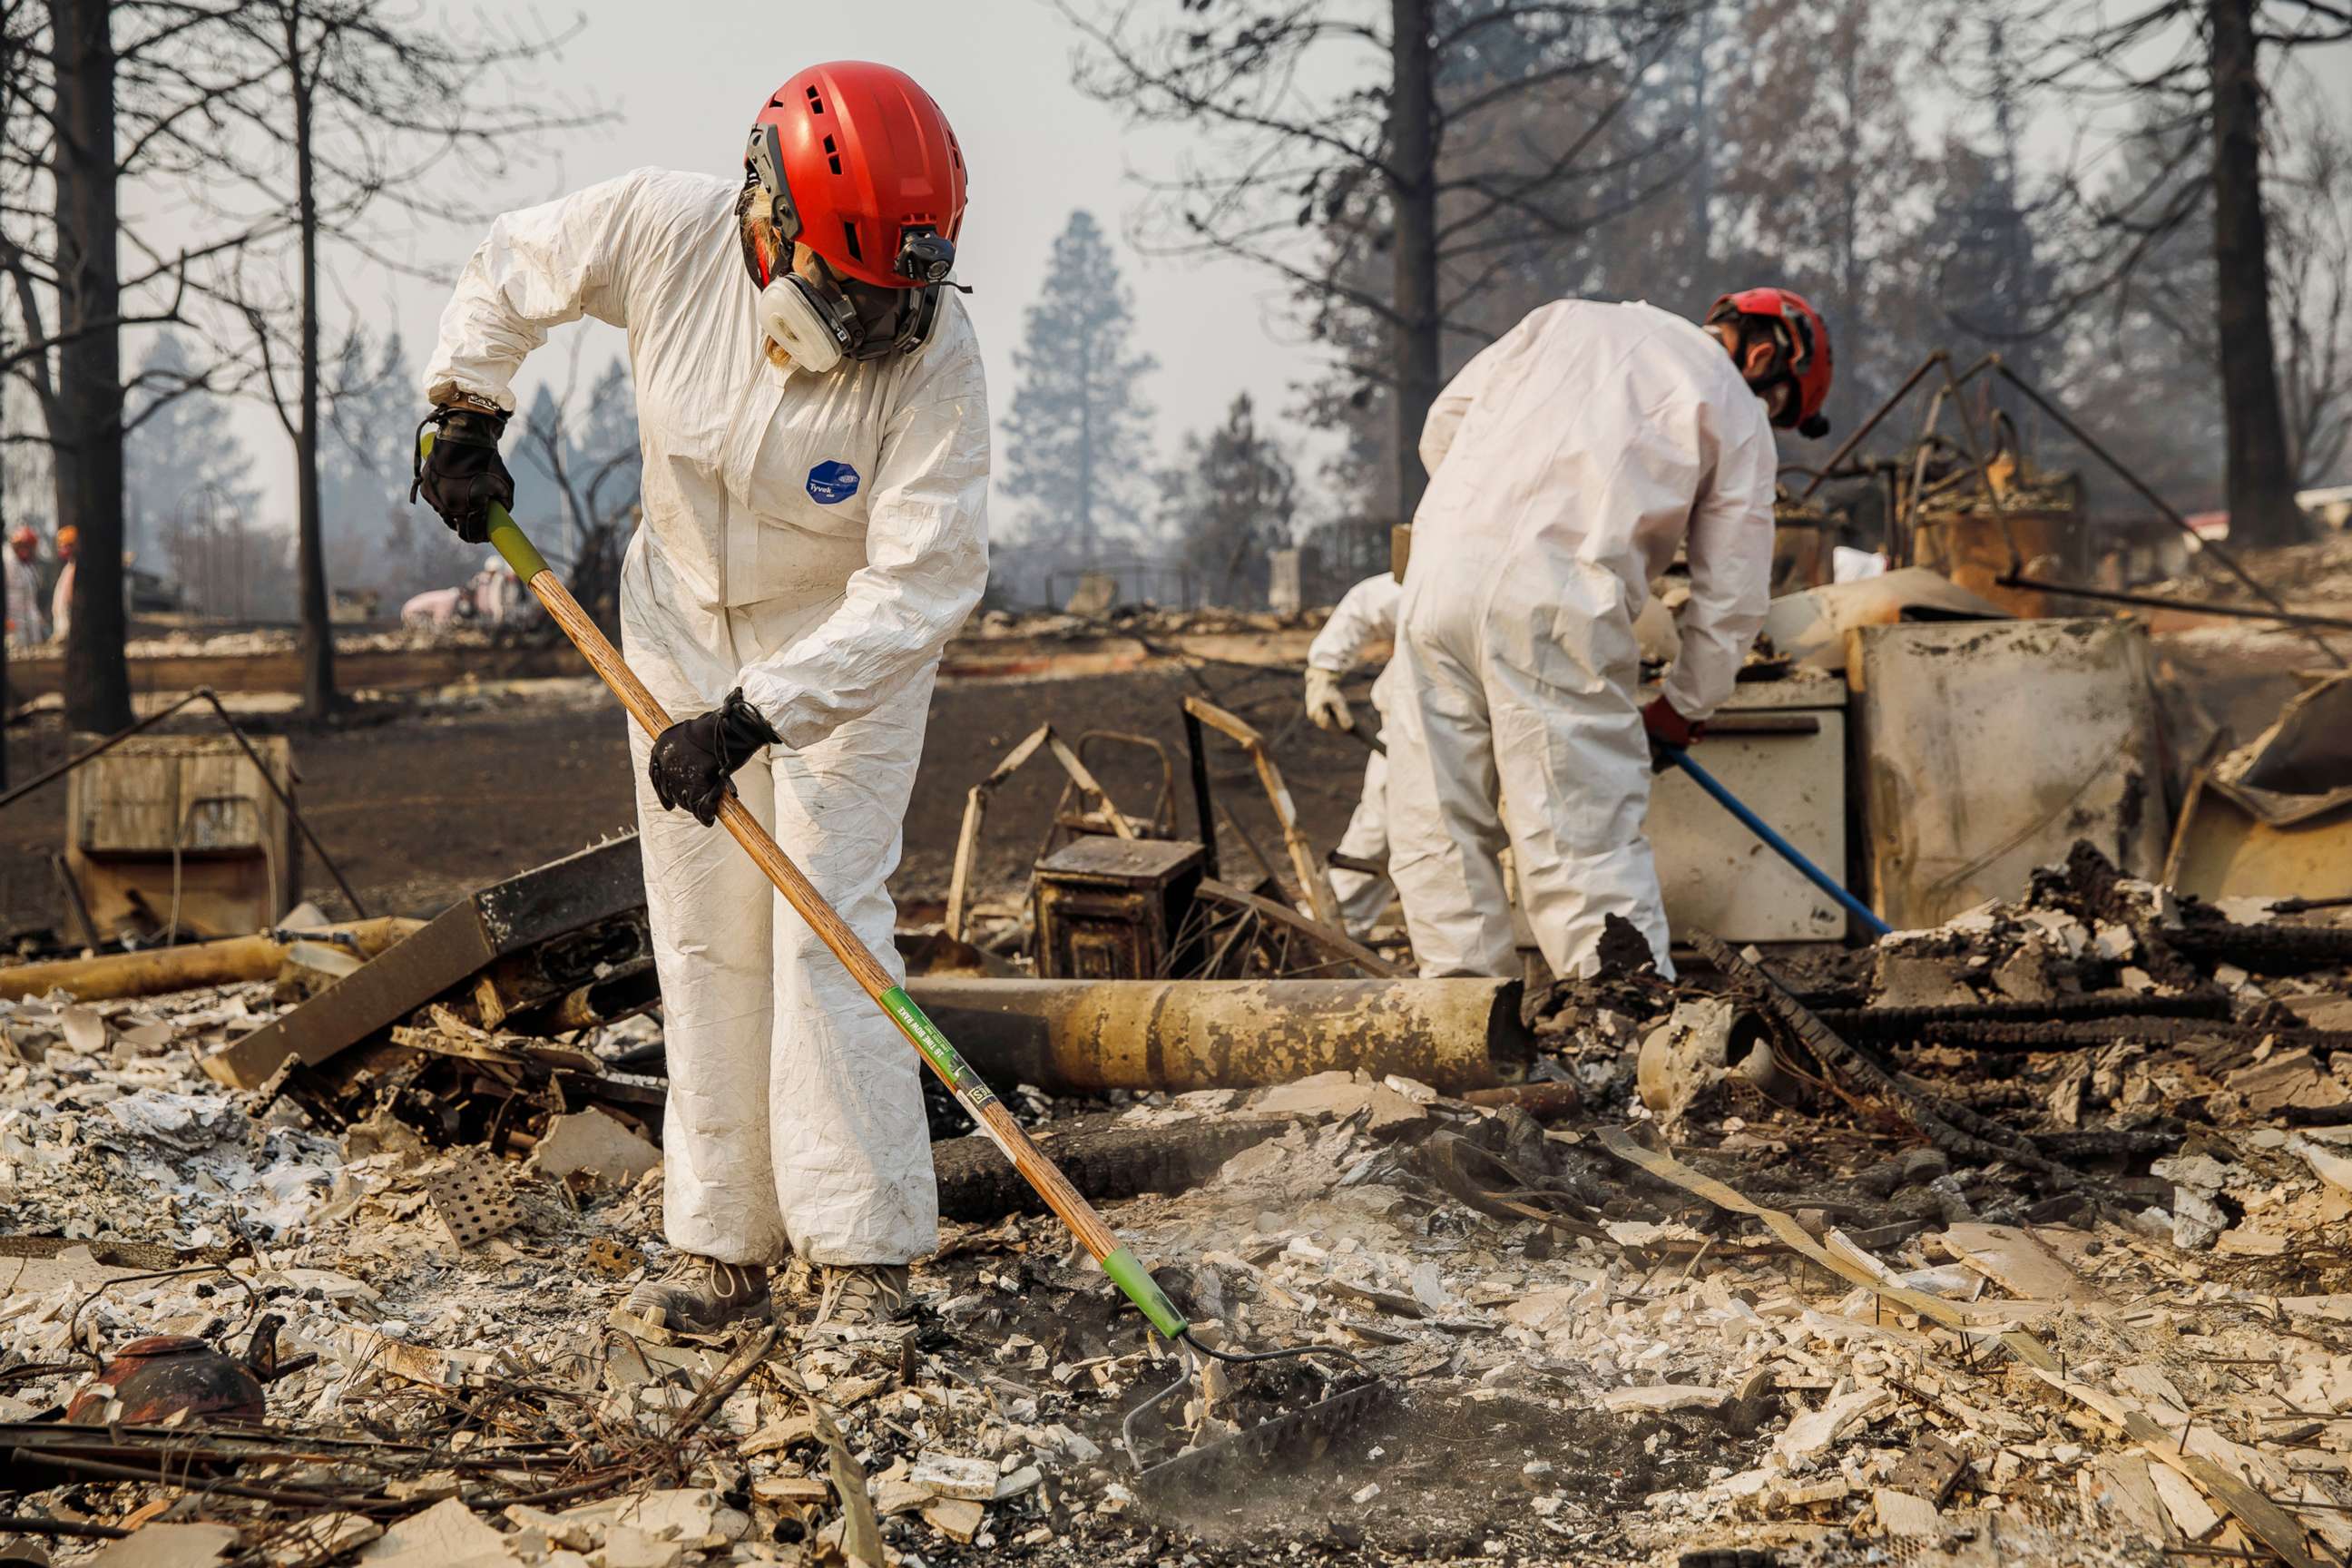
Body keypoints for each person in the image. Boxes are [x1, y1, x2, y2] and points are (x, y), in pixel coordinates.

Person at [415, 62, 987, 1338]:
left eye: (897, 300)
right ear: (769, 219)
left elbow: (923, 584)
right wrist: (463, 408)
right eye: (846, 291)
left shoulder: (933, 358)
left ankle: (861, 1255)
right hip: (674, 625)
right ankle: (724, 1241)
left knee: (824, 924)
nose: (873, 323)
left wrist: (758, 715)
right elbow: (509, 267)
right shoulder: (662, 231)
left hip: (843, 650)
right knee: (704, 928)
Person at [1382, 289, 1832, 984]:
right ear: (1766, 356)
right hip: (1560, 603)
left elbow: (1442, 430)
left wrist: (1498, 516)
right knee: (1581, 844)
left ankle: (1470, 1033)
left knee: (1439, 825)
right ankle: (1624, 1042)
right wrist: (1685, 705)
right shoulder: (1734, 407)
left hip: (1436, 580)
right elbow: (1735, 595)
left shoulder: (1559, 319)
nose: (1770, 419)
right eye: (1781, 407)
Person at [1301, 571, 1400, 936]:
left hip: (1514, 735)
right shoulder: (1457, 556)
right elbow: (1367, 603)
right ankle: (1326, 937)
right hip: (1417, 736)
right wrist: (1324, 671)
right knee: (1381, 837)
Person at [5, 527, 48, 650]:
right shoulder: (7, 562)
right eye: (22, 546)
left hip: (31, 622)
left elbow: (31, 597)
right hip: (13, 621)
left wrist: (39, 618)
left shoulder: (29, 568)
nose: (25, 550)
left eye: (28, 547)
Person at [48, 525, 76, 645]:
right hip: (61, 619)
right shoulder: (69, 566)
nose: (63, 548)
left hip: (69, 620)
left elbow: (70, 597)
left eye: (67, 545)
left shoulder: (77, 567)